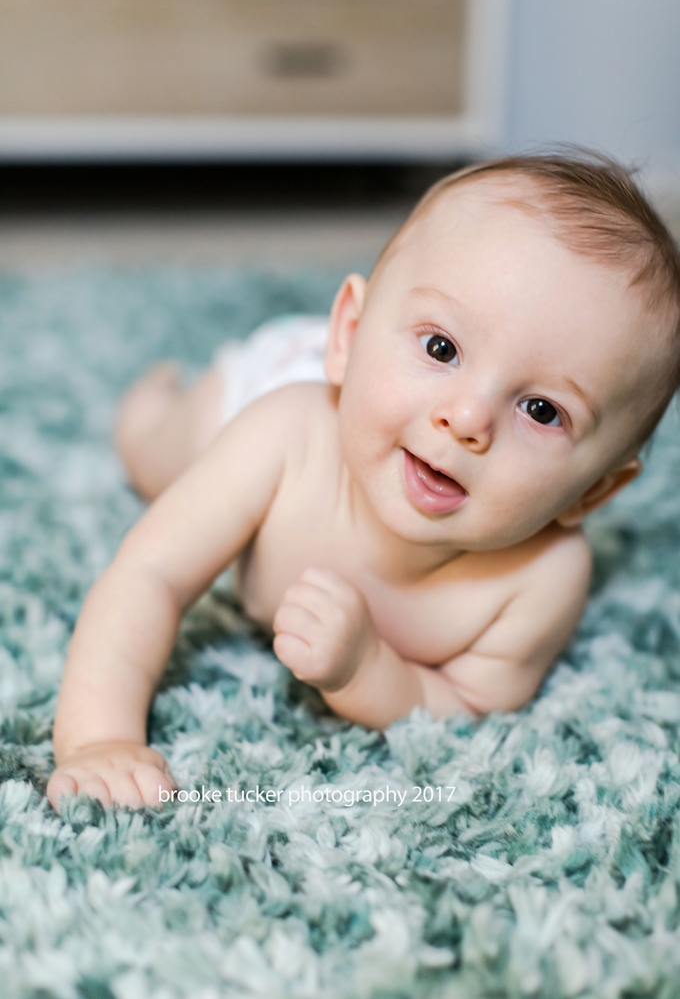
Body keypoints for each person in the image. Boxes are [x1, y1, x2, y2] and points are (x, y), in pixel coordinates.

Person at [46, 153, 680, 811]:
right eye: (442, 347)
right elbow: (150, 573)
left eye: (541, 410)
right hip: (275, 383)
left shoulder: (539, 579)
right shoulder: (282, 435)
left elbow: (466, 705)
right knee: (159, 457)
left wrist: (369, 670)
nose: (466, 418)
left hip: (382, 391)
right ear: (349, 332)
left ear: (593, 493)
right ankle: (148, 405)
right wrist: (99, 738)